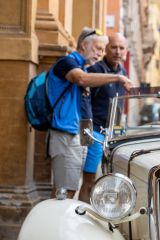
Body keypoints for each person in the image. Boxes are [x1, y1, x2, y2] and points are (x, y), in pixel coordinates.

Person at [47, 27, 133, 199]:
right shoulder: (68, 62)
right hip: (67, 133)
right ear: (84, 45)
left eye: (102, 49)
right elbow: (81, 80)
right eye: (98, 49)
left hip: (80, 134)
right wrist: (117, 77)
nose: (100, 54)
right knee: (65, 191)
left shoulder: (84, 67)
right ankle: (60, 224)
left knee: (72, 186)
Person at [79, 33, 129, 203]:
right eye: (114, 47)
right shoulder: (96, 70)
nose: (117, 51)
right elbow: (84, 101)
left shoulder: (123, 71)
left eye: (121, 48)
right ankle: (83, 218)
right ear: (106, 49)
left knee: (111, 180)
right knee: (89, 180)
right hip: (96, 132)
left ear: (126, 51)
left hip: (114, 133)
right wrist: (87, 133)